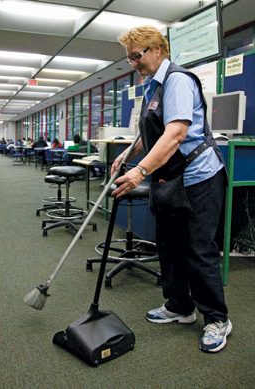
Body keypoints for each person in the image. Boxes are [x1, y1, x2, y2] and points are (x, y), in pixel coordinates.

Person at [111, 25, 231, 353]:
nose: (133, 63)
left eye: (137, 56)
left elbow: (175, 133)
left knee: (197, 247)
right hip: (170, 179)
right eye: (130, 58)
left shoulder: (177, 80)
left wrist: (139, 172)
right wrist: (127, 154)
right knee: (169, 243)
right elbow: (150, 131)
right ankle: (179, 306)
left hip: (199, 177)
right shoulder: (152, 87)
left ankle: (217, 318)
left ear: (158, 50)